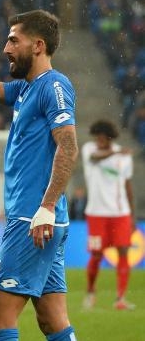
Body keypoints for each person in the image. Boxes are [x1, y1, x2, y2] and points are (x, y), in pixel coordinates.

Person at [0, 6, 79, 340]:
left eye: (13, 41)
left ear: (37, 45)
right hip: (38, 217)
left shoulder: (54, 85)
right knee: (53, 321)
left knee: (0, 319)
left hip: (33, 218)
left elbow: (68, 146)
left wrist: (46, 206)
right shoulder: (25, 88)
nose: (6, 49)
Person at [81, 119, 135, 310]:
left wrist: (133, 216)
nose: (99, 141)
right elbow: (96, 157)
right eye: (97, 138)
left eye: (103, 138)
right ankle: (90, 292)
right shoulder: (89, 149)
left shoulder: (124, 157)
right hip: (96, 213)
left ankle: (120, 299)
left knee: (123, 252)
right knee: (96, 255)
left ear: (110, 138)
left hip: (120, 213)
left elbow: (127, 186)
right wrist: (115, 152)